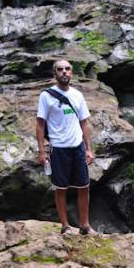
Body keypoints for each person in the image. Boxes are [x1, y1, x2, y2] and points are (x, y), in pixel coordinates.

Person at [36, 59, 96, 235]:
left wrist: (88, 148)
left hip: (77, 147)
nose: (64, 72)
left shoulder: (77, 95)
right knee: (60, 189)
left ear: (72, 73)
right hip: (59, 148)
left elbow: (84, 123)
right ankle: (65, 226)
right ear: (55, 74)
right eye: (60, 69)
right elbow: (40, 124)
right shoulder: (46, 96)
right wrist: (42, 151)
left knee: (84, 187)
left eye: (67, 69)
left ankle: (85, 225)